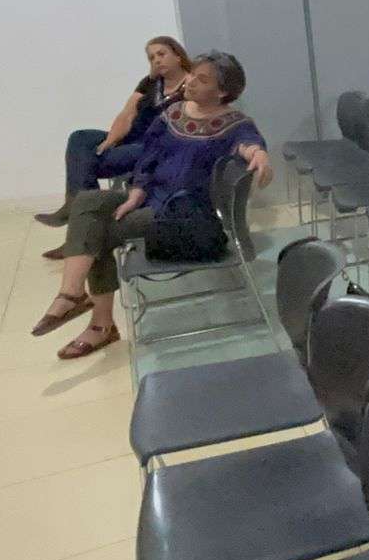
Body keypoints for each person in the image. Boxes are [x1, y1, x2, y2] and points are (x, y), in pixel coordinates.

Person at [28, 52, 271, 359]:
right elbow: (148, 156)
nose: (190, 82)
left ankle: (96, 321)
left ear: (222, 92)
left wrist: (258, 154)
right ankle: (75, 296)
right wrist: (137, 191)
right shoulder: (174, 113)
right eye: (192, 74)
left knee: (97, 231)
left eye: (202, 79)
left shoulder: (234, 124)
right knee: (87, 202)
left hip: (181, 215)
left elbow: (249, 143)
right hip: (151, 197)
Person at [36, 37, 191, 238]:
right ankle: (77, 208)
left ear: (178, 56)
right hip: (132, 138)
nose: (157, 60)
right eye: (152, 57)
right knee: (80, 138)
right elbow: (127, 115)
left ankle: (81, 216)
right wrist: (110, 140)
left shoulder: (191, 86)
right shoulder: (150, 83)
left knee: (85, 164)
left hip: (153, 148)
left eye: (162, 54)